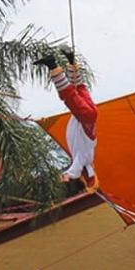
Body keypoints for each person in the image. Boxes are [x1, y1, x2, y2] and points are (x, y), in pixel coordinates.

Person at [34, 48, 99, 187]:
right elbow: (74, 171)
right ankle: (52, 64)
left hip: (91, 114)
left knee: (79, 89)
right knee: (68, 95)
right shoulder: (82, 159)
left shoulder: (89, 155)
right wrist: (66, 177)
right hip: (86, 117)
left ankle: (71, 61)